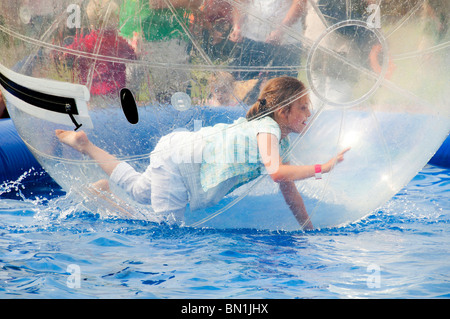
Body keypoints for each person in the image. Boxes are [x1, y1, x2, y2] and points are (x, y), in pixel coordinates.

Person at [55, 77, 349, 230]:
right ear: (284, 112)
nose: (309, 113)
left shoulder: (274, 136)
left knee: (139, 190)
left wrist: (308, 230)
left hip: (179, 154)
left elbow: (289, 189)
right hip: (181, 164)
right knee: (164, 231)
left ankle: (86, 146)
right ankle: (103, 198)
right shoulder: (268, 130)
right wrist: (322, 167)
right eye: (303, 107)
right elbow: (276, 172)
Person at [229, 0, 307, 102]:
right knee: (247, 89)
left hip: (286, 42)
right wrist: (237, 26)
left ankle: (278, 116)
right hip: (252, 37)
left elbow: (299, 3)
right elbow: (239, 2)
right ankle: (248, 115)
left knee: (282, 92)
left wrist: (281, 30)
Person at [62, 0, 136, 96]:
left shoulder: (88, 41)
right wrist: (135, 46)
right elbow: (133, 56)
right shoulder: (119, 42)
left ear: (91, 22)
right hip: (115, 91)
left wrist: (64, 52)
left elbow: (71, 51)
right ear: (115, 20)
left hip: (91, 90)